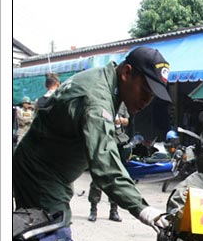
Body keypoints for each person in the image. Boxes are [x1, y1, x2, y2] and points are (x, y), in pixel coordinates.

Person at [13, 46, 173, 230]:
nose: (146, 101)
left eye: (152, 96)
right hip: (40, 173)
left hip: (56, 173)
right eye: (145, 91)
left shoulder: (108, 84)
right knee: (53, 237)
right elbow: (104, 162)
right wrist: (142, 208)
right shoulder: (96, 99)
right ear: (127, 73)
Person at [87, 106, 131, 222]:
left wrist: (119, 120)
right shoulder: (102, 103)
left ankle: (113, 210)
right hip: (102, 140)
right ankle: (93, 209)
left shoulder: (122, 104)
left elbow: (127, 121)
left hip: (117, 142)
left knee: (115, 177)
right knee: (98, 175)